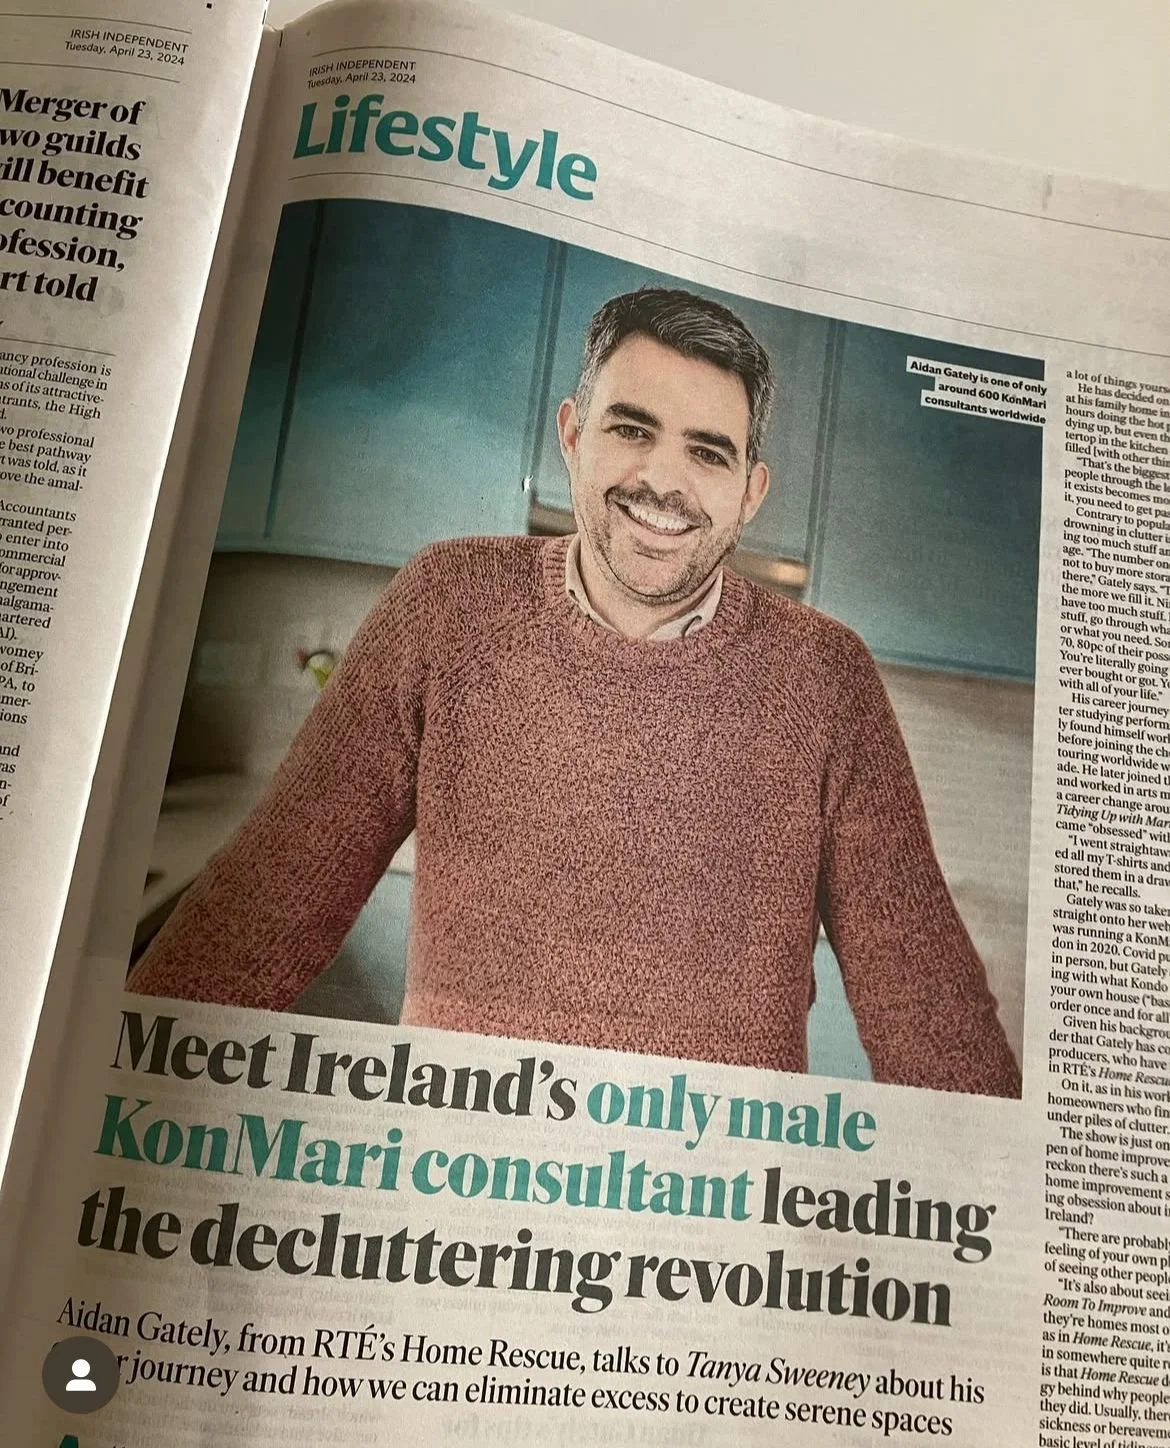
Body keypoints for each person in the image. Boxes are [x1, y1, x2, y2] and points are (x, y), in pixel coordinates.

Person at [130, 287, 1021, 1097]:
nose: (664, 482)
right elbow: (263, 905)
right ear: (572, 434)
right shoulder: (449, 603)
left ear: (751, 493)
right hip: (456, 1179)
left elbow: (925, 1008)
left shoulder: (827, 677)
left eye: (707, 453)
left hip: (716, 1217)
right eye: (631, 429)